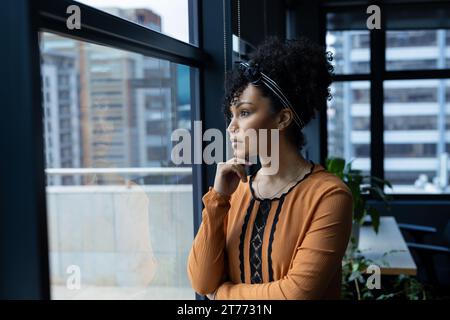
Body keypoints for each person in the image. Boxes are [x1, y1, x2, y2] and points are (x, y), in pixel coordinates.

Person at [187, 37, 353, 299]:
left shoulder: (329, 196)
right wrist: (218, 199)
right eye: (231, 115)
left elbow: (296, 294)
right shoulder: (237, 190)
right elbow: (202, 281)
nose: (231, 128)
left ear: (282, 118)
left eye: (244, 113)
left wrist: (222, 296)